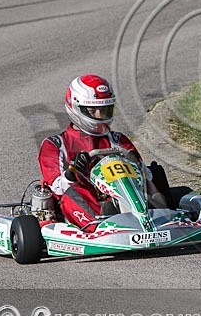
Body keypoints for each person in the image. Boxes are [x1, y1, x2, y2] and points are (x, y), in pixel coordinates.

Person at [38, 74, 164, 230]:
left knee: (150, 178)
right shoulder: (55, 145)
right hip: (87, 203)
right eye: (93, 110)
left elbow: (146, 176)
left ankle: (161, 216)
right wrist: (72, 173)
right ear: (76, 107)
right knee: (72, 194)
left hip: (122, 197)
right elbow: (57, 189)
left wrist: (136, 164)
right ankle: (99, 226)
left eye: (105, 109)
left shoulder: (118, 140)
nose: (100, 115)